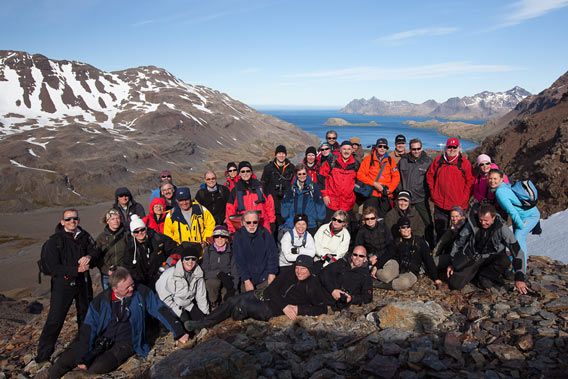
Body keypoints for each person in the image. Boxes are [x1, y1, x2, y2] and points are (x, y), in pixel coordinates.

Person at [45, 267, 188, 377]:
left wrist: (179, 332)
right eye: (127, 287)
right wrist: (84, 354)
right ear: (115, 289)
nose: (132, 288)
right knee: (65, 361)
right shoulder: (100, 302)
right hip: (102, 339)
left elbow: (160, 310)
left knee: (97, 367)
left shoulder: (142, 292)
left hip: (127, 342)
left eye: (132, 284)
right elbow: (88, 329)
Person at [183, 255, 328, 332]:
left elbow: (321, 308)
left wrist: (299, 309)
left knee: (242, 305)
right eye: (298, 267)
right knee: (233, 300)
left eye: (303, 269)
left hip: (271, 310)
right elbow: (272, 288)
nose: (299, 271)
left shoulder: (313, 285)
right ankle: (203, 323)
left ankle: (235, 317)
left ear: (310, 270)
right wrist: (285, 305)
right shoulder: (290, 271)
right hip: (267, 296)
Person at [36, 209, 98, 364]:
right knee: (56, 318)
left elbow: (95, 250)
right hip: (62, 284)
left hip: (83, 282)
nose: (72, 221)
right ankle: (43, 355)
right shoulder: (54, 241)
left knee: (85, 315)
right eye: (68, 219)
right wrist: (75, 270)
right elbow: (52, 267)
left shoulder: (84, 236)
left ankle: (84, 347)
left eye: (75, 218)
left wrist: (89, 256)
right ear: (62, 221)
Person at [445, 204, 528, 294]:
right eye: (481, 220)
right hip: (473, 256)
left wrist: (519, 278)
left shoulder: (502, 228)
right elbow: (458, 243)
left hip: (492, 256)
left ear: (493, 217)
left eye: (486, 220)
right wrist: (452, 262)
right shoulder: (472, 223)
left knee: (504, 260)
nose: (483, 223)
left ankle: (484, 275)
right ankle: (475, 273)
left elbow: (517, 252)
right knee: (454, 285)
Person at [488, 169, 540, 270]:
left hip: (529, 216)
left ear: (501, 179)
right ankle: (516, 266)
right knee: (519, 241)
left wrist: (521, 226)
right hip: (524, 215)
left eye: (495, 178)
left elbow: (512, 211)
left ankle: (521, 271)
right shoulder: (504, 186)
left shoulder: (500, 192)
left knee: (518, 239)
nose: (492, 181)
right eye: (490, 178)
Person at [426, 137, 474, 241]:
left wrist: (463, 199)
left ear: (458, 148)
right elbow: (430, 176)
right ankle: (441, 253)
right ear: (446, 147)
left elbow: (470, 182)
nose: (451, 149)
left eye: (454, 147)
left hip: (458, 205)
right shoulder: (438, 161)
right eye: (449, 147)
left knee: (459, 231)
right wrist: (433, 193)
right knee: (440, 231)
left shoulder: (464, 163)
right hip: (440, 204)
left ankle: (456, 253)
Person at [372, 217, 439, 291]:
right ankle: (376, 275)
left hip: (411, 271)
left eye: (408, 227)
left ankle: (383, 285)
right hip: (397, 266)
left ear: (410, 228)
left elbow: (428, 260)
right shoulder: (396, 242)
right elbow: (387, 255)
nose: (406, 229)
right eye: (403, 228)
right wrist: (376, 266)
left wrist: (435, 278)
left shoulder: (420, 242)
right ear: (399, 229)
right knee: (385, 276)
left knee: (404, 283)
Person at [155, 243, 209, 323]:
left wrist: (205, 314)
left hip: (187, 304)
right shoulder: (170, 273)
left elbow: (201, 296)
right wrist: (180, 312)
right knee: (185, 326)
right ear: (182, 260)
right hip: (170, 305)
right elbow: (164, 297)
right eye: (187, 259)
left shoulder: (198, 274)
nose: (190, 262)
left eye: (193, 259)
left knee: (200, 322)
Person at [124, 215, 181, 289]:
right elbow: (128, 266)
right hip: (143, 284)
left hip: (163, 279)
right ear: (132, 234)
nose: (140, 233)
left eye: (142, 230)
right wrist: (138, 281)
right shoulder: (130, 247)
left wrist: (167, 265)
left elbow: (175, 251)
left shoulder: (159, 239)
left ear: (146, 229)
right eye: (136, 231)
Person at [397, 138, 434, 245]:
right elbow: (397, 177)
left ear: (421, 148)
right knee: (403, 223)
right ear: (410, 149)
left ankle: (430, 245)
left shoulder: (427, 162)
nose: (416, 151)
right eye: (414, 149)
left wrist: (427, 193)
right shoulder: (403, 161)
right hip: (405, 199)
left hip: (420, 198)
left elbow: (431, 180)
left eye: (418, 148)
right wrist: (400, 192)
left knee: (427, 222)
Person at [233, 210, 279, 292]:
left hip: (265, 278)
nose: (252, 225)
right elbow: (239, 260)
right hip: (248, 279)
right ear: (243, 222)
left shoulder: (264, 233)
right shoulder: (238, 236)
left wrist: (272, 273)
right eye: (248, 222)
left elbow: (272, 255)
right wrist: (246, 280)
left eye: (255, 222)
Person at [225, 161, 276, 234]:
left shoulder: (261, 187)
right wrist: (232, 230)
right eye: (243, 171)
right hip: (244, 227)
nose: (245, 174)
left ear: (251, 172)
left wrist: (272, 222)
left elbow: (269, 205)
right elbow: (230, 212)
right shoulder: (235, 190)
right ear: (239, 173)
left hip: (262, 225)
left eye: (247, 171)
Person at [357, 138, 400, 217]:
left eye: (385, 147)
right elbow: (360, 175)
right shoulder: (368, 159)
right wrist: (374, 184)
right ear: (376, 147)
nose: (382, 148)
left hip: (385, 195)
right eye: (380, 146)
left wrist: (390, 190)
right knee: (369, 218)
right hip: (372, 194)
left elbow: (396, 177)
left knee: (384, 219)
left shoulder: (390, 160)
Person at [320, 246, 373, 310]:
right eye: (355, 255)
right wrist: (332, 290)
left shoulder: (365, 275)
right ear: (351, 256)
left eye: (361, 256)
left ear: (365, 259)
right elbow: (324, 272)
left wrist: (351, 298)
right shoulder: (342, 262)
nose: (357, 258)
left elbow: (368, 297)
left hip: (341, 300)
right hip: (327, 290)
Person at [280, 164, 326, 236]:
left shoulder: (313, 186)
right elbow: (286, 203)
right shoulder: (292, 188)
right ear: (296, 175)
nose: (302, 176)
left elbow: (319, 202)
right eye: (299, 174)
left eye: (304, 173)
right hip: (295, 222)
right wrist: (286, 216)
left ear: (307, 174)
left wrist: (319, 218)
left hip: (310, 222)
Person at [201, 226, 239, 307]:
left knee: (229, 293)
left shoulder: (232, 251)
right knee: (212, 283)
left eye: (223, 237)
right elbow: (204, 270)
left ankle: (224, 305)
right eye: (217, 237)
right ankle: (213, 303)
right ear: (213, 238)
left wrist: (234, 287)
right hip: (213, 278)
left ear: (226, 239)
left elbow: (235, 271)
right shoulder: (208, 251)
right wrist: (218, 273)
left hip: (227, 278)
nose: (220, 239)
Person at [319, 140, 359, 216]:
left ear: (352, 150)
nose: (346, 151)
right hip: (331, 202)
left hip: (348, 203)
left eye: (349, 149)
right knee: (330, 225)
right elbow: (321, 178)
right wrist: (325, 195)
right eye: (344, 149)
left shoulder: (356, 164)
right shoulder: (331, 161)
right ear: (340, 150)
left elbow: (358, 181)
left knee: (345, 226)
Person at [261, 145, 296, 231]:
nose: (281, 155)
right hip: (273, 205)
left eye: (283, 153)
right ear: (275, 155)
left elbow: (295, 183)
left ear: (286, 155)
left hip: (287, 204)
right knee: (274, 229)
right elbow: (263, 185)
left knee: (287, 229)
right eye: (279, 153)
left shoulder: (291, 167)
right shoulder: (268, 168)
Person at [95, 209, 128, 290]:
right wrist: (106, 270)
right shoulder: (101, 238)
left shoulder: (126, 235)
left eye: (118, 218)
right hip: (108, 276)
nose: (116, 221)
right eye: (112, 219)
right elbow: (97, 258)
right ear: (107, 221)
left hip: (123, 273)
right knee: (108, 298)